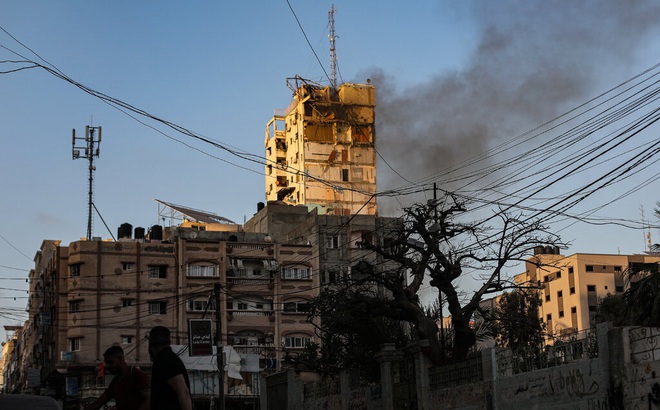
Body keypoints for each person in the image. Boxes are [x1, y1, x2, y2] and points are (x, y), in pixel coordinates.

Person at [85, 345, 150, 410]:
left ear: (121, 359)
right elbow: (99, 402)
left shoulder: (137, 375)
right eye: (106, 363)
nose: (107, 366)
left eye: (110, 362)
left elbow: (149, 401)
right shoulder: (116, 381)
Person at [148, 326, 193, 410]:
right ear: (169, 342)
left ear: (151, 344)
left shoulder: (164, 360)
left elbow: (184, 392)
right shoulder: (169, 358)